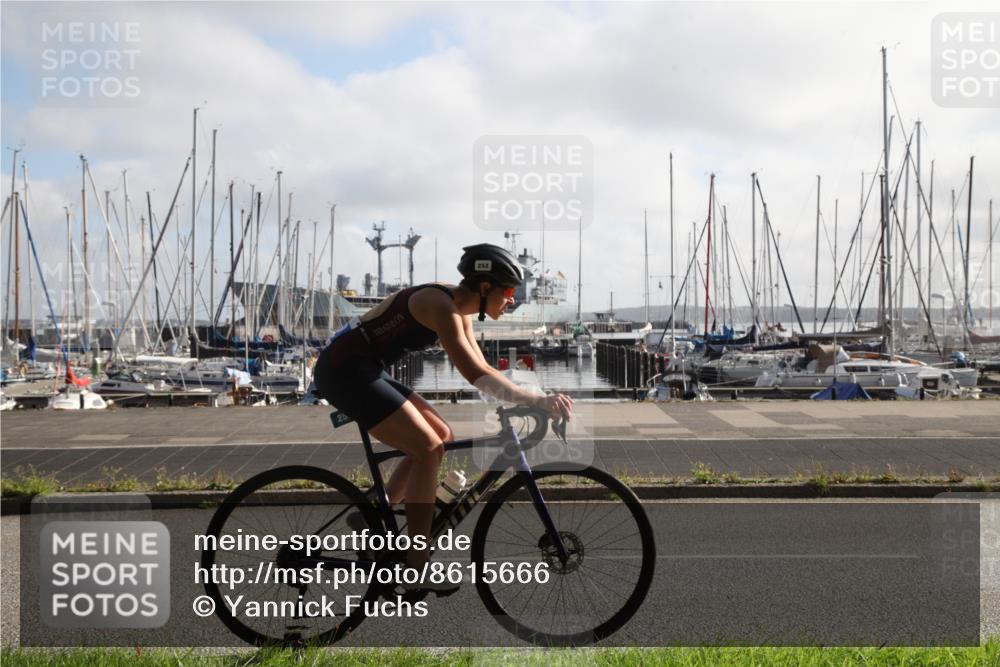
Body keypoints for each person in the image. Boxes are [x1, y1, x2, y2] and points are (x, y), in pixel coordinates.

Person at [313, 243, 573, 591]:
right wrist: (538, 401)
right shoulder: (441, 306)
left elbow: (482, 369)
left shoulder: (460, 311)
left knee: (441, 434)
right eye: (508, 291)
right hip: (343, 371)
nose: (512, 299)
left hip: (365, 367)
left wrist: (530, 397)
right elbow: (473, 374)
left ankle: (375, 511)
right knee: (427, 448)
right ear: (484, 288)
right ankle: (414, 567)